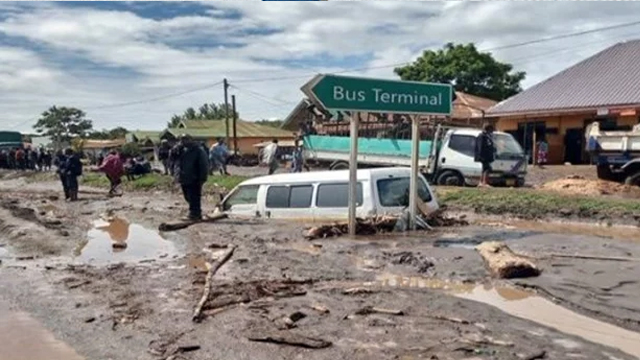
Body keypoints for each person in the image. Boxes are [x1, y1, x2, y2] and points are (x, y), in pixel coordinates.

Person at [177, 134, 209, 221]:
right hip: (184, 177)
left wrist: (202, 178)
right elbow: (172, 158)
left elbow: (204, 165)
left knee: (194, 196)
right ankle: (195, 212)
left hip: (195, 178)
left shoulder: (198, 150)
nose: (183, 141)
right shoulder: (182, 150)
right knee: (187, 196)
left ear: (191, 140)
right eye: (182, 139)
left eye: (186, 139)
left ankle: (195, 214)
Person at [475, 123, 496, 187]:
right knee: (486, 168)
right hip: (484, 156)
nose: (492, 131)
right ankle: (484, 182)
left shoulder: (487, 136)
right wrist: (481, 156)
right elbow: (480, 146)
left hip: (487, 156)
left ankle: (481, 182)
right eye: (491, 130)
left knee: (485, 169)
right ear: (488, 129)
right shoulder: (482, 136)